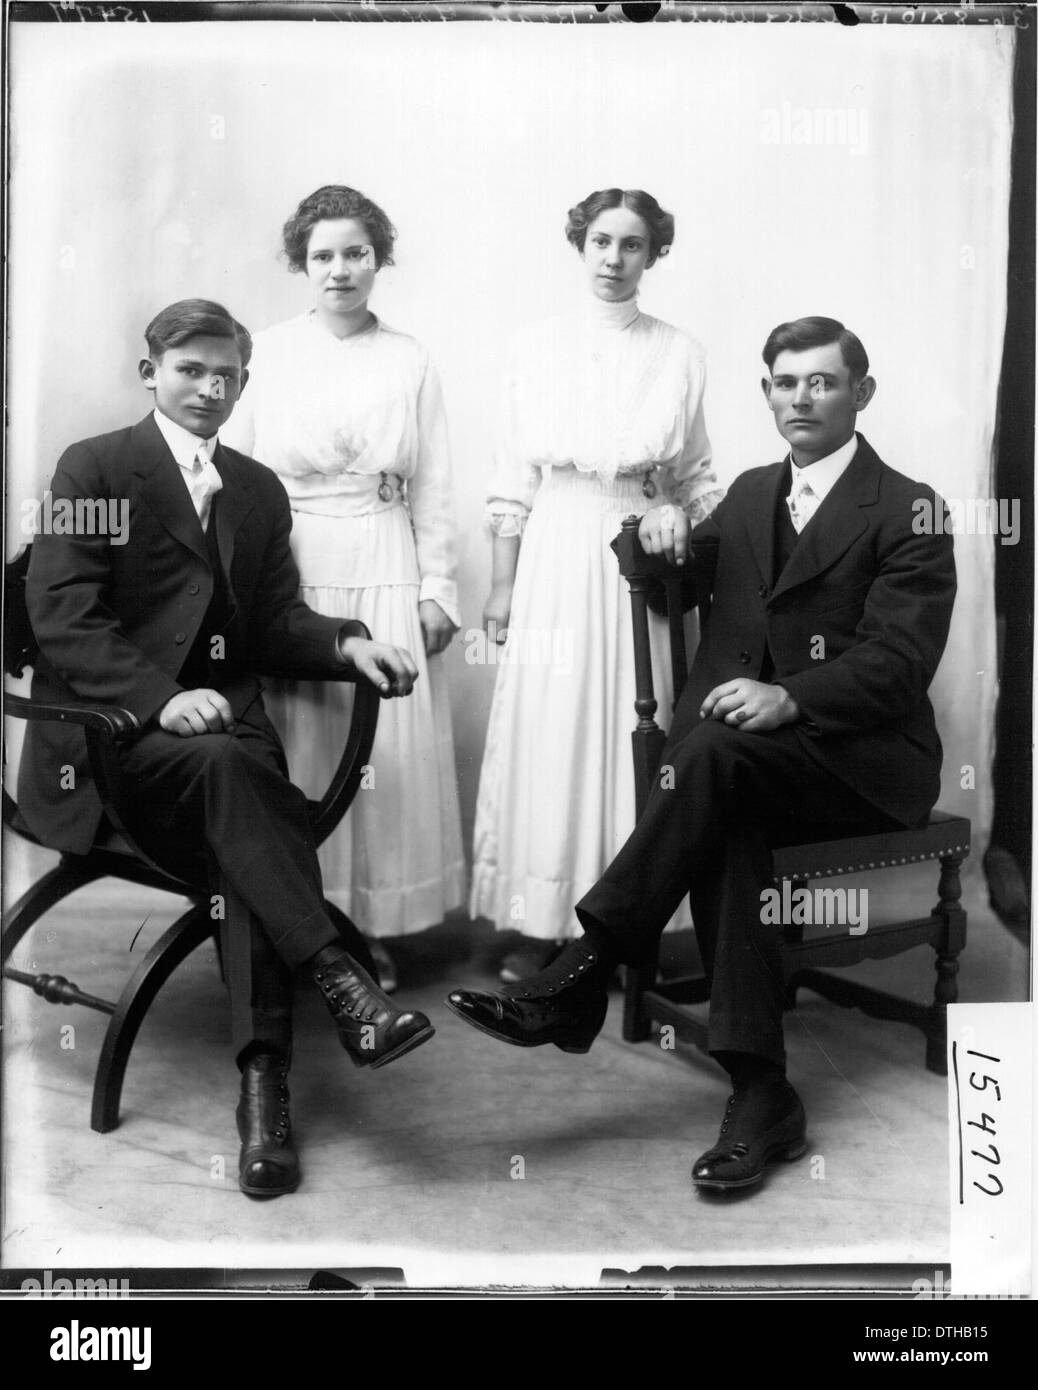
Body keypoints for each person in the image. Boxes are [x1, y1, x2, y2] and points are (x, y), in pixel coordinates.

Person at [449, 316, 957, 1193]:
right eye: (784, 383)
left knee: (714, 757)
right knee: (729, 812)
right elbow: (671, 575)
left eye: (822, 382)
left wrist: (793, 695)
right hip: (749, 772)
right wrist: (657, 524)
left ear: (861, 394)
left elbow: (902, 663)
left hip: (859, 768)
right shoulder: (755, 492)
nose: (801, 398)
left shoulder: (911, 506)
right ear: (766, 395)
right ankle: (763, 1093)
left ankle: (581, 970)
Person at [18, 300, 435, 1200]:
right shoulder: (95, 467)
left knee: (235, 798)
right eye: (191, 370)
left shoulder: (254, 488)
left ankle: (263, 1093)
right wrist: (162, 700)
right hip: (111, 748)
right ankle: (337, 977)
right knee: (236, 779)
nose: (210, 389)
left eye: (228, 376)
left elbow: (274, 621)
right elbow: (63, 618)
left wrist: (342, 645)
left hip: (219, 754)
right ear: (151, 373)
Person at [470, 187, 723, 981]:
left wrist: (677, 513)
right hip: (556, 547)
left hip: (643, 554)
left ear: (654, 255)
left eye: (633, 245)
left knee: (636, 726)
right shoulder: (533, 346)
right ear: (581, 247)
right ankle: (545, 925)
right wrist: (503, 587)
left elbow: (696, 475)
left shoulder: (681, 352)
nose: (614, 260)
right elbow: (512, 479)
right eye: (601, 242)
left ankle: (630, 924)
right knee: (555, 725)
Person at [222, 186, 464, 991]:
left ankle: (374, 929)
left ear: (378, 259)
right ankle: (301, 923)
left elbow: (432, 481)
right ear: (301, 262)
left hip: (383, 555)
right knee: (305, 746)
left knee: (378, 751)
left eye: (355, 253)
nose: (339, 269)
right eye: (322, 254)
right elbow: (237, 475)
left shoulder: (409, 356)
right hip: (293, 562)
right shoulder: (268, 351)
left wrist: (437, 587)